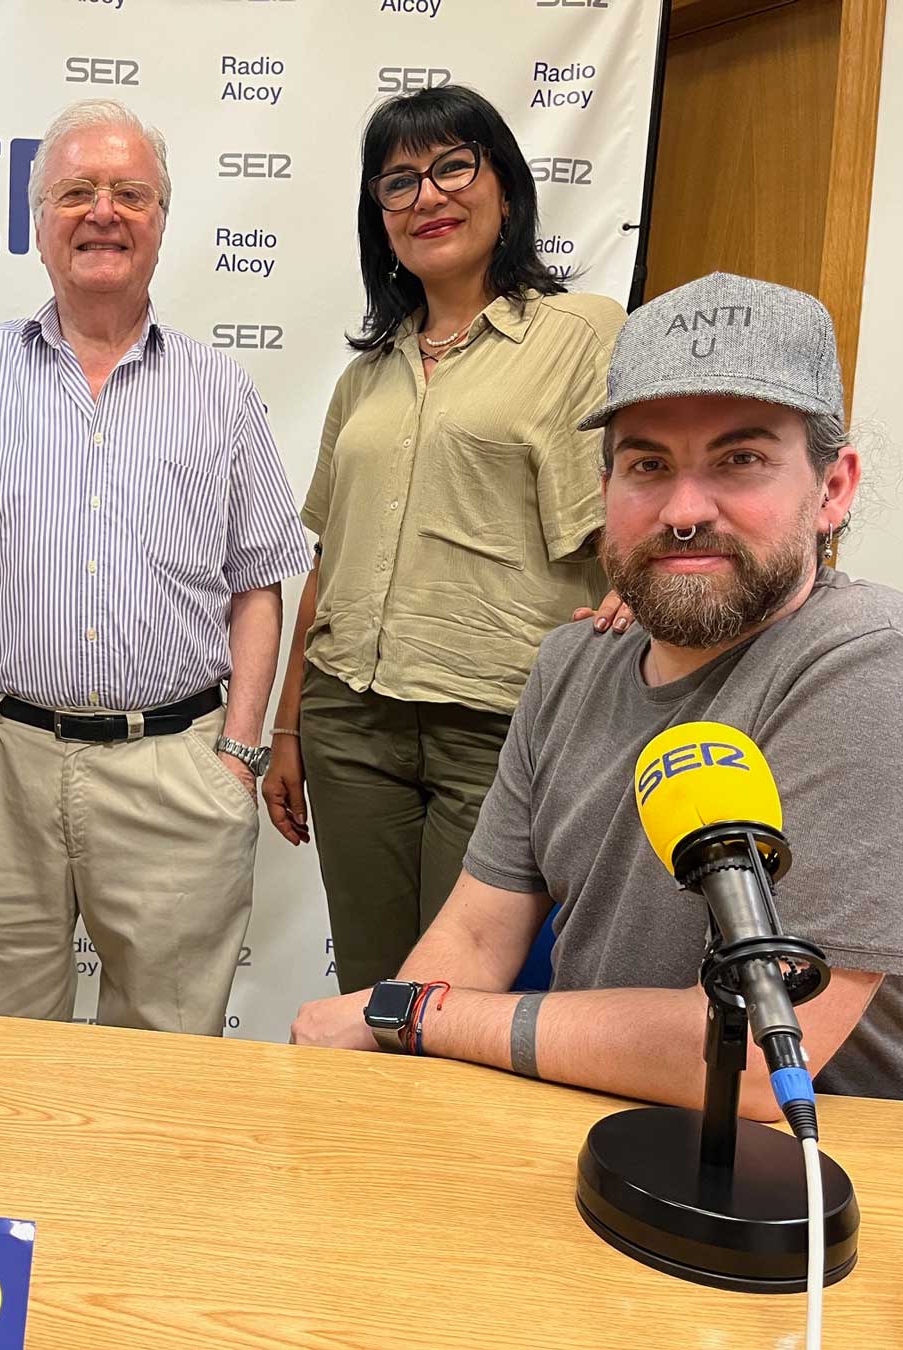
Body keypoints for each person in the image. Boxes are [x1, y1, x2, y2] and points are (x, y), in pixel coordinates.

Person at [292, 272, 903, 1110]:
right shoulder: (569, 667)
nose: (685, 508)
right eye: (647, 464)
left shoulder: (877, 673)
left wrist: (410, 1018)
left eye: (741, 460)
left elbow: (760, 1057)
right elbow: (478, 933)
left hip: (828, 1195)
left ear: (832, 489)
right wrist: (403, 1053)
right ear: (603, 491)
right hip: (588, 1134)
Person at [0, 99, 312, 1036]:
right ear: (36, 225)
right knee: (6, 1045)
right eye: (75, 192)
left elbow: (259, 582)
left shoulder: (219, 390)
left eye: (129, 193)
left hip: (178, 767)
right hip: (8, 764)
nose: (103, 211)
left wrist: (238, 752)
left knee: (168, 1058)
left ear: (160, 223)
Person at [261, 86, 629, 995]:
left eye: (453, 166)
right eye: (398, 183)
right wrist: (289, 723)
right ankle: (371, 1145)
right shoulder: (367, 375)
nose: (428, 196)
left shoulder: (584, 333)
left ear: (505, 187)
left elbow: (637, 505)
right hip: (351, 721)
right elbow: (327, 556)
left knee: (457, 1006)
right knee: (373, 993)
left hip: (496, 726)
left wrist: (647, 584)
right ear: (377, 218)